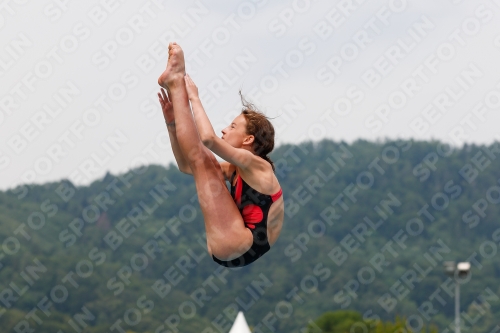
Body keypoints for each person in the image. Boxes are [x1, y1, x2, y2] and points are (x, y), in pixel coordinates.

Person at [157, 42, 284, 267]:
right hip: (233, 244)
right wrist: (172, 124)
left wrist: (193, 97)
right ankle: (175, 82)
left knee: (205, 160)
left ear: (248, 140)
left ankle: (176, 81)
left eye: (233, 127)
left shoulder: (257, 166)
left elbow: (208, 140)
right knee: (205, 165)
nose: (225, 129)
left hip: (241, 243)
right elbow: (187, 166)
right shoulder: (237, 169)